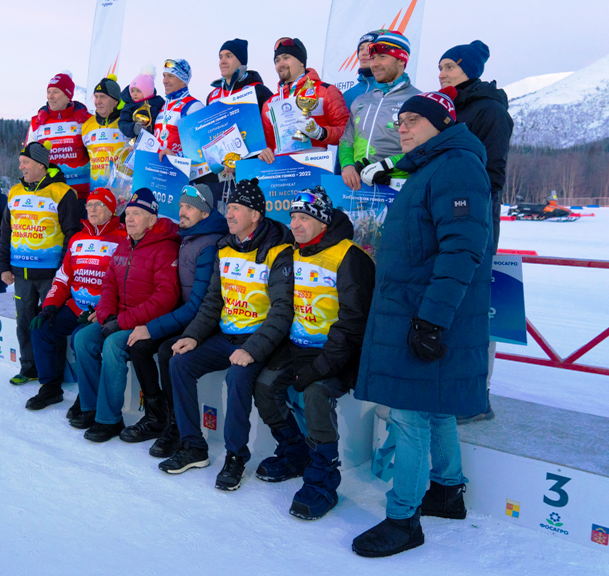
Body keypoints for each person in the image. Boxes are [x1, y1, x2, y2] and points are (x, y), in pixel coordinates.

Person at [351, 87, 492, 558]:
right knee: (434, 405)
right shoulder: (434, 166)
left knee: (410, 413)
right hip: (416, 307)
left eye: (412, 119)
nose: (402, 128)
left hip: (425, 311)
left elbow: (462, 249)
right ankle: (448, 492)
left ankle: (404, 518)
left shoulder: (456, 167)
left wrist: (430, 321)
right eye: (399, 122)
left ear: (441, 124)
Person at [160, 178, 294, 492]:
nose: (229, 214)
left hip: (260, 341)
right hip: (226, 336)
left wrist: (254, 348)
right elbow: (212, 301)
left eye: (236, 209)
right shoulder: (225, 247)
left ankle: (235, 455)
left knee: (238, 376)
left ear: (255, 215)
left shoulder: (279, 250)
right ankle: (193, 445)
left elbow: (282, 310)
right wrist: (193, 335)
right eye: (228, 208)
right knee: (180, 361)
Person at [252, 188, 375, 520]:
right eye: (292, 217)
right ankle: (294, 451)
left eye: (304, 217)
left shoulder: (349, 257)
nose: (295, 224)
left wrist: (319, 368)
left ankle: (323, 478)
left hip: (339, 353)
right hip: (297, 347)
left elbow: (353, 326)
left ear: (322, 220)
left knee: (315, 394)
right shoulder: (296, 252)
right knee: (263, 386)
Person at [438, 40, 514, 424]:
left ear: (470, 69)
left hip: (475, 221)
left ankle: (476, 398)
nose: (442, 73)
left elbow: (493, 174)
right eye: (440, 67)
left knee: (473, 310)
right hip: (443, 217)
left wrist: (460, 197)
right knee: (447, 304)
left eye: (450, 66)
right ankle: (450, 388)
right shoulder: (450, 107)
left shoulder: (490, 111)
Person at [123, 182, 228, 452]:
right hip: (186, 315)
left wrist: (152, 327)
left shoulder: (210, 244)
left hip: (207, 322)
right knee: (139, 346)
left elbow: (198, 305)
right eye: (181, 206)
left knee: (166, 350)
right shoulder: (189, 236)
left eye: (190, 208)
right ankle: (157, 416)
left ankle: (177, 425)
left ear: (205, 213)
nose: (182, 212)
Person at [71, 188, 180, 443]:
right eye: (127, 213)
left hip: (145, 323)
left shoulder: (164, 247)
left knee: (112, 345)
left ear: (152, 219)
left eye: (137, 214)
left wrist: (120, 323)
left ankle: (109, 420)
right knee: (83, 339)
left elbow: (165, 299)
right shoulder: (123, 245)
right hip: (118, 317)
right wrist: (107, 314)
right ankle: (90, 407)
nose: (129, 219)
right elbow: (109, 284)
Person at [27, 187, 126, 411]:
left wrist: (102, 310)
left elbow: (124, 283)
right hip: (76, 307)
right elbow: (63, 278)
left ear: (111, 209)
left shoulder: (123, 238)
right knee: (42, 327)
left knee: (82, 338)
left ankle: (87, 395)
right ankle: (50, 387)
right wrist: (50, 307)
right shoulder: (77, 239)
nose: (91, 209)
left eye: (98, 205)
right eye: (89, 205)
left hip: (104, 310)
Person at [0, 142, 81, 385]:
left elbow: (72, 235)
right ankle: (29, 367)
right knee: (24, 321)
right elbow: (6, 232)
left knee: (48, 324)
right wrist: (3, 265)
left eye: (25, 162)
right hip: (20, 273)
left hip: (51, 275)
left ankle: (51, 374)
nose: (20, 166)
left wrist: (64, 272)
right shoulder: (14, 192)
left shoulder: (62, 192)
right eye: (21, 162)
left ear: (41, 164)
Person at [339, 31, 421, 190]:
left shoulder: (418, 101)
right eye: (373, 57)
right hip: (360, 187)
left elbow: (425, 149)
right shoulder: (361, 100)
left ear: (401, 60)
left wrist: (387, 166)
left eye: (382, 57)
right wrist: (347, 165)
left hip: (400, 187)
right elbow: (347, 140)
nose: (374, 64)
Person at [258, 38, 348, 162]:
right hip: (281, 172)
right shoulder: (269, 104)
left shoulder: (325, 91)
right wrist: (264, 152)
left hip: (314, 170)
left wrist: (320, 133)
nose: (280, 63)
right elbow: (268, 144)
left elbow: (346, 132)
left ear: (301, 62)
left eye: (286, 57)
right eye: (277, 60)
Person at [153, 59, 218, 187]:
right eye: (164, 76)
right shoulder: (163, 107)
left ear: (183, 80)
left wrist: (176, 156)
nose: (164, 81)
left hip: (185, 179)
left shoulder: (193, 106)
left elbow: (204, 148)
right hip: (161, 175)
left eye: (170, 76)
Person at [27, 72, 92, 201]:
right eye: (48, 92)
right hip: (48, 195)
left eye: (56, 92)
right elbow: (29, 159)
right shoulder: (37, 123)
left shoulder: (86, 120)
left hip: (80, 196)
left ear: (68, 96)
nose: (50, 96)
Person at [83, 76, 129, 192]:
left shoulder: (126, 123)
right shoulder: (87, 126)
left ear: (115, 101)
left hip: (122, 195)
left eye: (103, 97)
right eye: (96, 97)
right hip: (96, 194)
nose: (98, 101)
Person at [206, 38, 273, 108]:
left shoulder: (258, 91)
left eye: (228, 56)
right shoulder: (212, 97)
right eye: (221, 57)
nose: (223, 61)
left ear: (241, 61)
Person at [342, 30, 387, 109]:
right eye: (361, 49)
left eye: (370, 48)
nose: (364, 53)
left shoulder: (394, 90)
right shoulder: (349, 95)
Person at [118, 68, 165, 141]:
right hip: (138, 142)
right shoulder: (129, 105)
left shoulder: (158, 101)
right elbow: (122, 123)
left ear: (148, 91)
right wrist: (133, 128)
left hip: (157, 140)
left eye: (138, 91)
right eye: (132, 91)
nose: (134, 94)